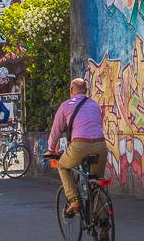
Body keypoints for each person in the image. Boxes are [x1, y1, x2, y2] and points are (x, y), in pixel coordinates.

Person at [46, 78, 108, 217]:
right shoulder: (94, 105)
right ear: (86, 90)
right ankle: (103, 225)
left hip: (79, 145)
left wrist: (50, 149)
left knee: (62, 166)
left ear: (71, 90)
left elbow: (56, 129)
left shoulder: (66, 105)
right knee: (97, 183)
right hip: (100, 145)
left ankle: (74, 200)